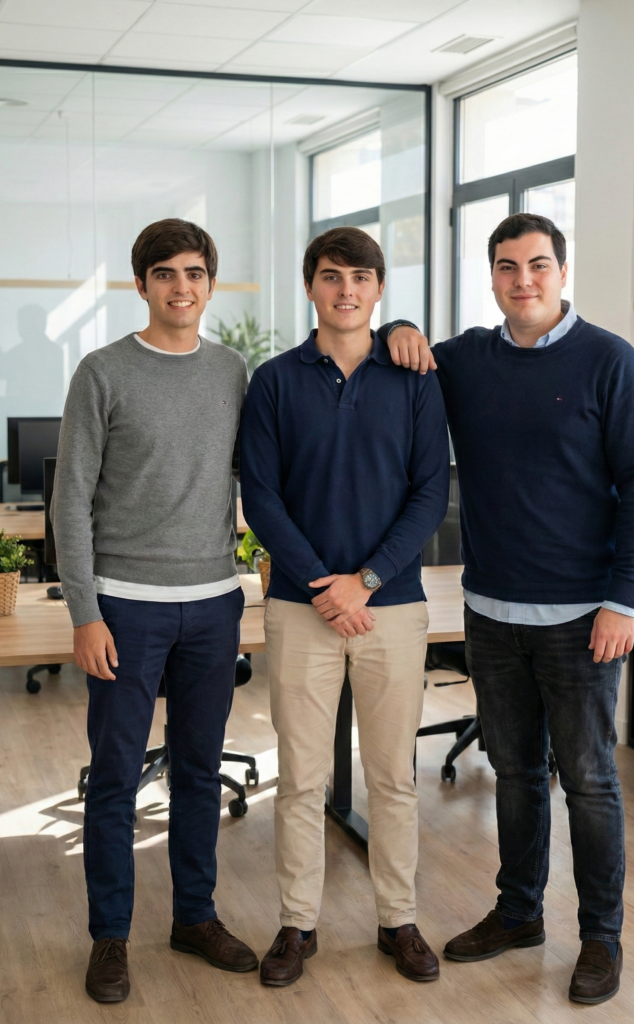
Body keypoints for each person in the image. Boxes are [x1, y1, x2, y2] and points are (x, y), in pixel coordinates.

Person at [381, 212, 634, 1005]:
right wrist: (402, 325)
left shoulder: (609, 361)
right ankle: (518, 913)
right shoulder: (468, 359)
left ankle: (601, 937)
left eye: (538, 265)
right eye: (508, 267)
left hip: (585, 618)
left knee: (590, 780)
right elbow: (395, 353)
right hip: (493, 612)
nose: (524, 280)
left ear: (562, 271)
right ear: (493, 277)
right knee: (512, 772)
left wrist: (624, 601)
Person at [51, 219, 258, 1004]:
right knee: (113, 778)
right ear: (141, 285)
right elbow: (70, 499)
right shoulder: (102, 372)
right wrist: (85, 610)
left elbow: (257, 476)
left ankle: (195, 918)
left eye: (195, 273)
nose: (181, 287)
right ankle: (110, 935)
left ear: (211, 284)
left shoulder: (235, 371)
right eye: (165, 273)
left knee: (200, 772)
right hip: (125, 608)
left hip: (213, 603)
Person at [240, 227, 450, 987]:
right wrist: (325, 584)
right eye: (332, 277)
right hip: (301, 609)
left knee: (393, 776)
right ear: (311, 288)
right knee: (299, 778)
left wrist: (365, 579)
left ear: (379, 288)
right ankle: (298, 924)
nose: (347, 290)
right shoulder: (273, 381)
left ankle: (399, 918)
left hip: (391, 608)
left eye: (361, 277)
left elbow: (432, 492)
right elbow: (260, 494)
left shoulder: (415, 375)